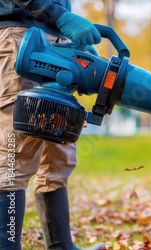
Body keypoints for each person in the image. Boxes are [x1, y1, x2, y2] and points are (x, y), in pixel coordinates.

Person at [0, 1, 103, 249]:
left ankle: (60, 246)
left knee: (59, 149)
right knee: (16, 153)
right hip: (20, 36)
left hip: (56, 39)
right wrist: (63, 18)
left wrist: (67, 36)